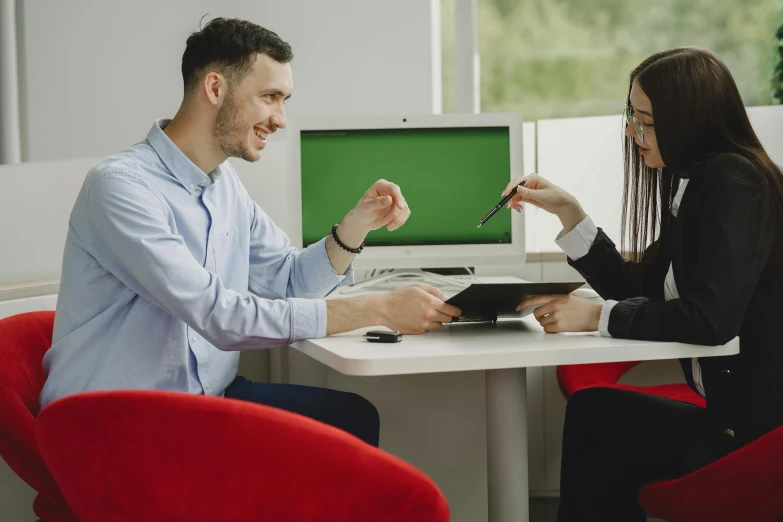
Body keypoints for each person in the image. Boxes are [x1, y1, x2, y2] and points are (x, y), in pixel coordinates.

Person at [40, 17, 461, 447]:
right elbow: (219, 316)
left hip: (202, 401)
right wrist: (380, 309)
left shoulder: (224, 187)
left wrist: (355, 225)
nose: (280, 119)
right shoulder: (121, 187)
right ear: (216, 88)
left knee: (350, 419)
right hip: (114, 425)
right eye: (270, 97)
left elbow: (292, 281)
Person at [506, 46, 783, 520]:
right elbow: (635, 286)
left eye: (648, 121)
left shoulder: (734, 182)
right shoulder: (696, 182)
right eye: (632, 117)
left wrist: (594, 316)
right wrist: (570, 213)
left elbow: (711, 319)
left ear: (690, 120)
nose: (634, 132)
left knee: (598, 424)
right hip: (733, 417)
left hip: (758, 436)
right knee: (596, 415)